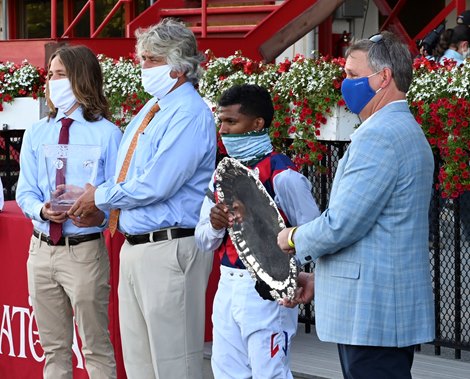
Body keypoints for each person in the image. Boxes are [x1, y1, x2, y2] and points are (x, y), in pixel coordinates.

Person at [278, 31, 435, 379]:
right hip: (380, 311)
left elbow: (342, 224)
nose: (344, 84)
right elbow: (378, 231)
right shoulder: (401, 129)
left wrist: (292, 237)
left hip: (373, 316)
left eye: (351, 74)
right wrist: (322, 279)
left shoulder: (380, 135)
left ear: (383, 78)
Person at [68, 19, 216, 379]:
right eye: (143, 59)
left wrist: (99, 198)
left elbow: (156, 184)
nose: (142, 68)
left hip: (169, 248)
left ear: (178, 66)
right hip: (136, 246)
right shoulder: (152, 108)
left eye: (151, 60)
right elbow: (129, 178)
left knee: (175, 364)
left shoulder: (189, 113)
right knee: (139, 366)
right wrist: (103, 214)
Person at [195, 84, 320, 379]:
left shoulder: (285, 176)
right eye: (221, 121)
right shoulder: (220, 174)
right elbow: (202, 240)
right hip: (226, 286)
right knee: (226, 373)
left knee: (271, 374)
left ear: (257, 124)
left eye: (231, 121)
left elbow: (314, 237)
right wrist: (214, 225)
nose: (222, 130)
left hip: (268, 290)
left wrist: (287, 272)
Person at [16, 45, 121, 378]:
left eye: (60, 74)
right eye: (50, 75)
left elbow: (118, 199)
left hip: (84, 251)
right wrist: (43, 210)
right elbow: (24, 192)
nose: (52, 81)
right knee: (53, 350)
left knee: (95, 348)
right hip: (41, 250)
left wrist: (98, 213)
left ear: (81, 78)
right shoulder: (37, 131)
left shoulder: (108, 134)